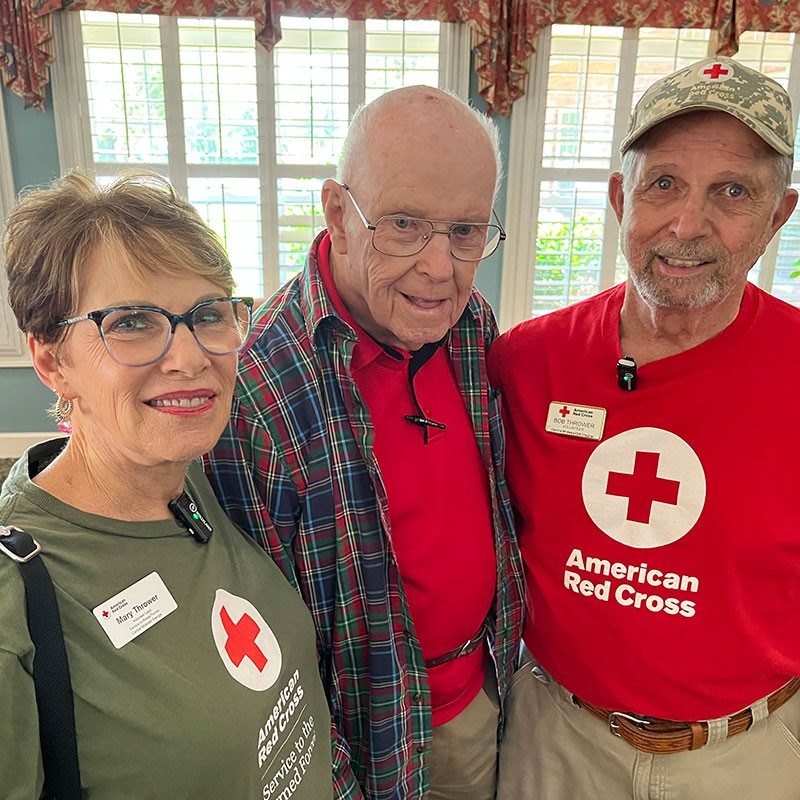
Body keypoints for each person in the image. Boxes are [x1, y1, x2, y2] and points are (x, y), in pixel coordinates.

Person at [490, 57, 800, 800]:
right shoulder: (525, 362)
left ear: (778, 216)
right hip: (554, 738)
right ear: (618, 198)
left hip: (744, 755)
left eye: (732, 192)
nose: (687, 225)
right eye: (663, 183)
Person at [206, 86, 525, 800]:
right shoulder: (258, 390)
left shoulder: (470, 325)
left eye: (466, 231)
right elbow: (258, 654)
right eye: (404, 225)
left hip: (488, 697)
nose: (439, 268)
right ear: (337, 215)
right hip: (364, 742)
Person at [0, 171, 333, 799]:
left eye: (208, 315)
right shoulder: (17, 597)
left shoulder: (195, 481)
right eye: (131, 322)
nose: (189, 357)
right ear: (51, 361)